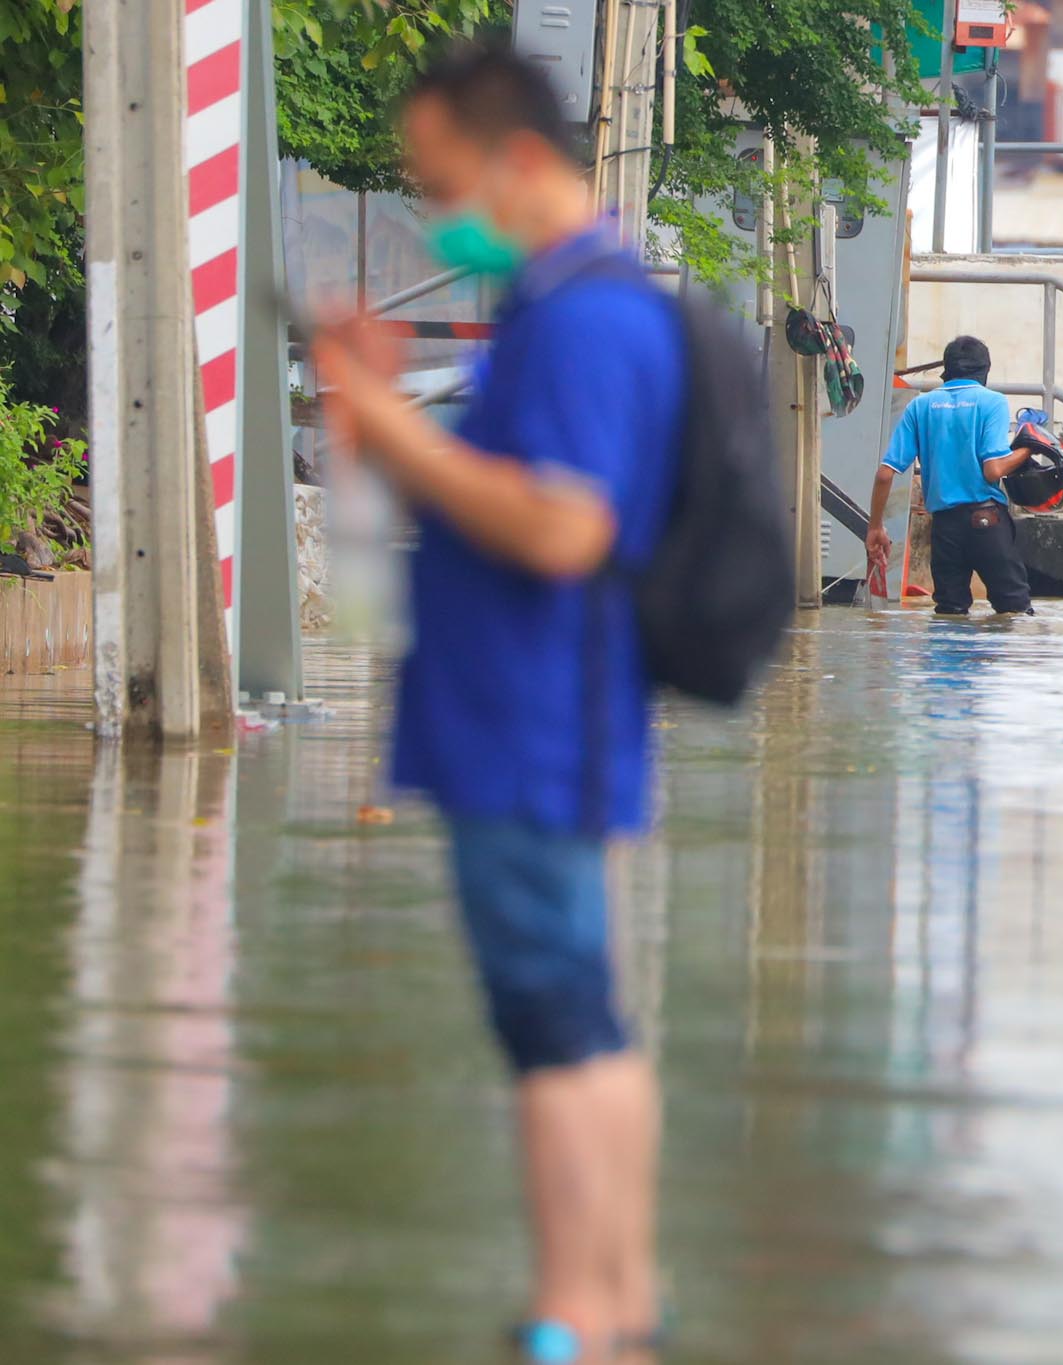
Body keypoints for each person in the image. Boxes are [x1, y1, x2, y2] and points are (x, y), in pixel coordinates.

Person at [313, 42, 677, 1365]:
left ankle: (580, 1313)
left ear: (520, 161)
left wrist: (384, 420)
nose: (435, 210)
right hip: (524, 717)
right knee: (574, 1015)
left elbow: (563, 524)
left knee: (555, 1019)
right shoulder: (563, 304)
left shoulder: (585, 315)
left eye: (443, 179)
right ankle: (615, 1300)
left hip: (534, 720)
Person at [866, 335, 1035, 616]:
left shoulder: (920, 407)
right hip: (987, 522)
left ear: (947, 370)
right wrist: (1028, 448)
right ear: (984, 371)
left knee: (949, 613)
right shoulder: (991, 402)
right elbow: (993, 469)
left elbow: (885, 474)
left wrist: (875, 527)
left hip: (945, 528)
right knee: (1015, 613)